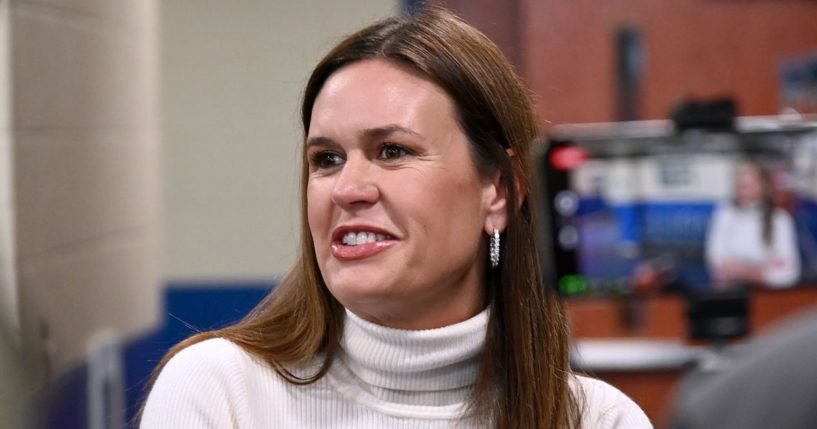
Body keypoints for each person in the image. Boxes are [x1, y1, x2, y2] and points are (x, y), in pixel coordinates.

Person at [139, 7, 651, 429]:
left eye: (392, 151)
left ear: (499, 190)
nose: (348, 189)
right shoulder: (220, 391)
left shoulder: (598, 420)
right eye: (327, 159)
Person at [705, 160, 800, 288]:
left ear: (764, 185)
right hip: (731, 295)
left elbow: (790, 273)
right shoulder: (725, 213)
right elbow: (716, 262)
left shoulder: (780, 220)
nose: (744, 183)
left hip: (767, 296)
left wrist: (751, 273)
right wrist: (763, 268)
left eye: (751, 181)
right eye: (741, 180)